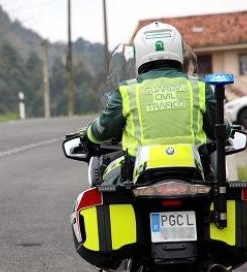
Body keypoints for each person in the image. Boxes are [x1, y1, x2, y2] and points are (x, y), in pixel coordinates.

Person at [83, 22, 223, 185]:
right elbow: (217, 129)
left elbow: (102, 131)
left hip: (138, 178)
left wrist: (88, 134)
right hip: (195, 175)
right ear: (178, 51)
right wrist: (227, 128)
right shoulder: (199, 87)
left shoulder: (128, 90)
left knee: (104, 187)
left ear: (139, 53)